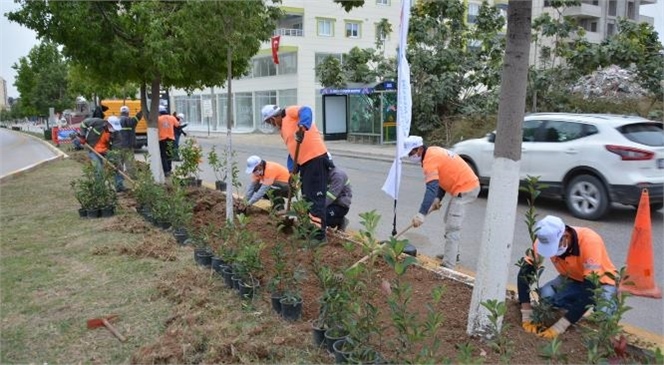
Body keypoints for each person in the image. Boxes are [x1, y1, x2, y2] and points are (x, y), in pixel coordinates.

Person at [518, 215, 618, 339]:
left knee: (604, 315)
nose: (553, 253)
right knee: (546, 295)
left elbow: (590, 290)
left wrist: (560, 326)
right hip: (572, 279)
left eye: (554, 248)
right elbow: (524, 275)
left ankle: (574, 315)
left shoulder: (590, 241)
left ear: (565, 236)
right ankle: (569, 312)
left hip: (601, 283)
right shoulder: (542, 240)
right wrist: (527, 314)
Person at [402, 135, 480, 269]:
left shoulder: (429, 161)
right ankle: (452, 253)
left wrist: (421, 214)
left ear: (419, 149)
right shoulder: (432, 152)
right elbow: (443, 177)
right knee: (449, 220)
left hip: (466, 188)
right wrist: (438, 198)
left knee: (452, 225)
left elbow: (431, 188)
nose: (410, 156)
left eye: (411, 153)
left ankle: (449, 265)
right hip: (463, 186)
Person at [262, 104, 329, 243]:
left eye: (270, 121)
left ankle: (319, 235)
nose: (271, 125)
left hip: (316, 159)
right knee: (307, 197)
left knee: (315, 197)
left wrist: (303, 126)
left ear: (275, 117)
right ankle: (310, 229)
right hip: (305, 164)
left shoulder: (289, 113)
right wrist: (292, 171)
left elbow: (306, 110)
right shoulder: (283, 131)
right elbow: (292, 152)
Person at [325, 160, 352, 231]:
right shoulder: (324, 174)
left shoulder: (337, 175)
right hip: (331, 204)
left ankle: (341, 221)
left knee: (323, 217)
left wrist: (319, 207)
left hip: (340, 205)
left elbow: (331, 196)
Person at [157, 105, 180, 176]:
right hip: (170, 139)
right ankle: (169, 169)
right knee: (169, 155)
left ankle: (166, 171)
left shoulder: (158, 119)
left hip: (162, 139)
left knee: (163, 156)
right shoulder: (172, 118)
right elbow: (177, 125)